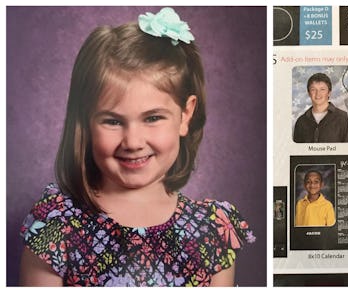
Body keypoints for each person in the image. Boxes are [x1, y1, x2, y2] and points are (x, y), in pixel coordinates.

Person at [19, 8, 254, 287]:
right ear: (85, 122)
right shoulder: (57, 223)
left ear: (185, 115)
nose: (132, 142)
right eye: (112, 121)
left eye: (153, 118)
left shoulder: (212, 230)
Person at [293, 73, 348, 143]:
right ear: (309, 93)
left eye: (322, 89)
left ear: (329, 93)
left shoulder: (345, 119)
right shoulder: (301, 122)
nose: (318, 94)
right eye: (313, 89)